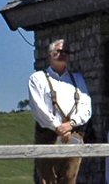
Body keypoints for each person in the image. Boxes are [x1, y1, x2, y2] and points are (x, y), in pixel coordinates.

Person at [28, 38, 92, 184]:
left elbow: (86, 106)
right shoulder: (38, 79)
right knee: (47, 180)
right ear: (49, 55)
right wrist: (57, 126)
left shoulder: (77, 79)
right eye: (58, 51)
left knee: (70, 178)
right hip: (48, 135)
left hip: (73, 134)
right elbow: (39, 108)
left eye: (65, 52)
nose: (62, 54)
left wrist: (71, 124)